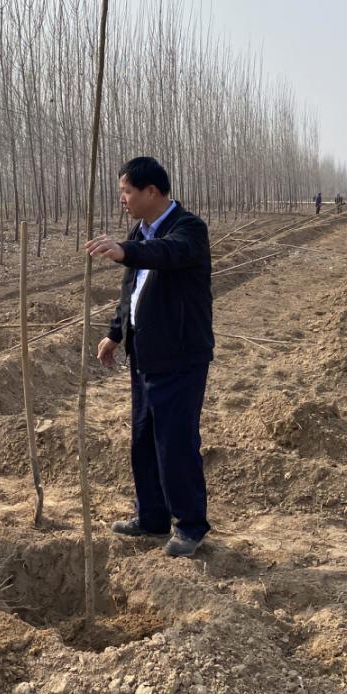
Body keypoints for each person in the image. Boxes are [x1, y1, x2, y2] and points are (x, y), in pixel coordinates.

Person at [86, 156, 213, 558]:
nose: (122, 199)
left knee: (175, 442)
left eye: (126, 191)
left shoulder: (188, 229)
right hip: (144, 354)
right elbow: (132, 291)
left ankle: (190, 525)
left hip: (179, 355)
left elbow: (166, 254)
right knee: (143, 440)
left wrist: (125, 250)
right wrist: (115, 333)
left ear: (151, 192)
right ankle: (151, 516)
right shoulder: (139, 232)